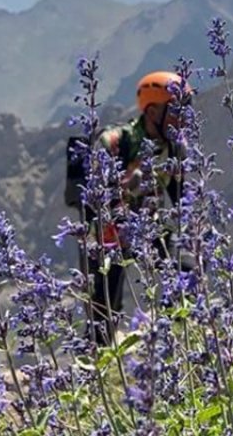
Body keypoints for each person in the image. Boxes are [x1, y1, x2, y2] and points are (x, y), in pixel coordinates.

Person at [84, 70, 189, 345]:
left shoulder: (175, 148)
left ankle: (176, 339)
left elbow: (181, 198)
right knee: (106, 296)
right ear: (153, 112)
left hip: (151, 225)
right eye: (177, 110)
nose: (183, 118)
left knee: (180, 270)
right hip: (111, 230)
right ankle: (100, 354)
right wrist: (126, 184)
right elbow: (91, 196)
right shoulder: (115, 142)